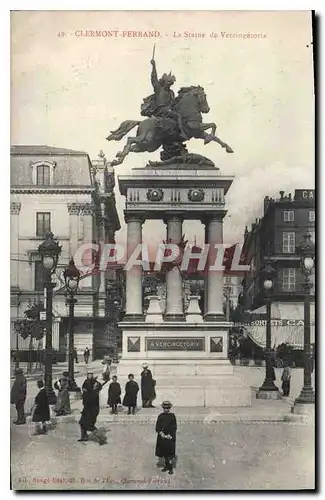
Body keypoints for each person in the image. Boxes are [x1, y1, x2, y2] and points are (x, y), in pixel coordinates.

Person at [141, 59, 188, 140]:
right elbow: (154, 78)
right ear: (164, 81)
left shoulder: (171, 93)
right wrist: (154, 66)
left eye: (170, 83)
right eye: (167, 82)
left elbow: (173, 103)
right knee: (178, 116)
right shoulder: (158, 88)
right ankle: (182, 133)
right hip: (160, 110)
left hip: (167, 110)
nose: (168, 84)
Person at [78, 372, 108, 442]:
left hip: (91, 410)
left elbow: (89, 400)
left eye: (91, 375)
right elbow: (84, 390)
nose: (90, 376)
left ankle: (102, 438)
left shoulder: (94, 393)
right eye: (88, 375)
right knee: (82, 423)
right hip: (87, 409)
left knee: (89, 425)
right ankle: (84, 436)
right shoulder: (87, 384)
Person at [155, 401, 177, 475]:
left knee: (169, 453)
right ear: (163, 408)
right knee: (164, 452)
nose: (166, 409)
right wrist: (161, 433)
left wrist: (170, 435)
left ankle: (170, 468)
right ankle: (166, 466)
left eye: (167, 408)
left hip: (170, 437)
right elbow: (157, 427)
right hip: (162, 437)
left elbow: (174, 427)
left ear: (169, 408)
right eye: (164, 408)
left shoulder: (172, 416)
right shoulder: (160, 416)